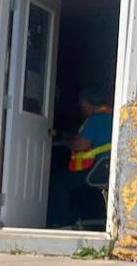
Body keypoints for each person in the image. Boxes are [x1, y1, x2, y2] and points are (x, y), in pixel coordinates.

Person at [47, 87, 112, 228]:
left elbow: (80, 145)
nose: (81, 108)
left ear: (88, 103)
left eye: (82, 104)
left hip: (94, 169)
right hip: (105, 168)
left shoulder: (97, 119)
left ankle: (59, 223)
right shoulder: (111, 116)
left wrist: (66, 142)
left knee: (59, 181)